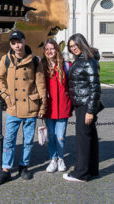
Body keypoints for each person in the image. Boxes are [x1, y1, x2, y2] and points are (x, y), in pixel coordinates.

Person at [0, 30, 47, 185]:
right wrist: (5, 94)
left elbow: (40, 84)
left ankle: (24, 166)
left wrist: (43, 106)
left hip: (31, 107)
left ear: (24, 41)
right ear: (11, 44)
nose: (17, 45)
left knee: (28, 140)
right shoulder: (6, 59)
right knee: (9, 140)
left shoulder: (35, 60)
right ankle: (6, 170)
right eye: (13, 42)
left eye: (19, 41)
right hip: (13, 107)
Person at [63, 33, 102, 183]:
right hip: (82, 104)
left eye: (75, 45)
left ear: (82, 44)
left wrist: (90, 111)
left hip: (86, 105)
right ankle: (91, 170)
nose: (73, 49)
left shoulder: (88, 61)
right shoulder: (81, 60)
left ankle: (81, 173)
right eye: (71, 47)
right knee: (90, 137)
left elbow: (95, 87)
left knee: (83, 139)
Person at [41, 39, 72, 173]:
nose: (49, 51)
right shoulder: (41, 66)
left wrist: (71, 104)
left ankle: (61, 158)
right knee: (51, 136)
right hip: (49, 108)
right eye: (47, 49)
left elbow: (71, 87)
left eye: (52, 48)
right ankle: (53, 159)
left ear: (57, 50)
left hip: (63, 107)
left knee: (60, 136)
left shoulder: (66, 65)